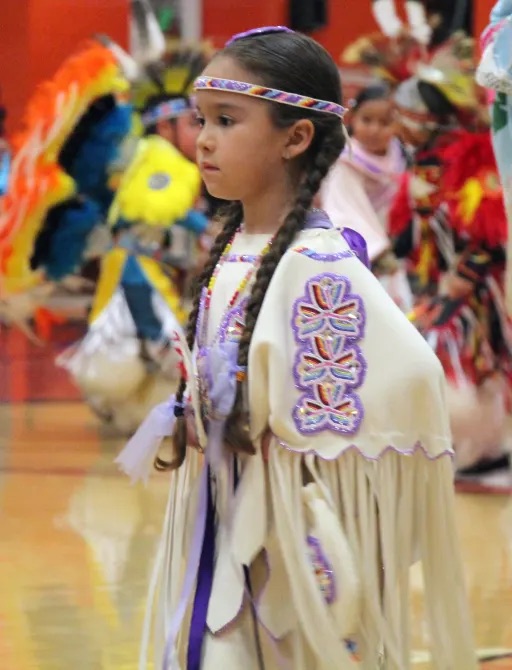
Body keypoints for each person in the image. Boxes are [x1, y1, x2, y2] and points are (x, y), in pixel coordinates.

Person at [118, 26, 477, 669]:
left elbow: (414, 378)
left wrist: (276, 441)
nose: (202, 139)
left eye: (227, 120)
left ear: (296, 136)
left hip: (279, 557)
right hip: (222, 528)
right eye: (202, 120)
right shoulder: (236, 246)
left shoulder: (316, 266)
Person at [321, 84, 412, 310]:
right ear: (352, 118)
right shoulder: (345, 161)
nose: (374, 130)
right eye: (367, 120)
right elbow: (345, 212)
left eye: (384, 123)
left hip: (400, 250)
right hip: (366, 254)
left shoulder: (401, 155)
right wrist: (380, 250)